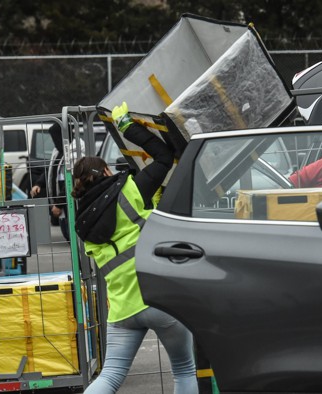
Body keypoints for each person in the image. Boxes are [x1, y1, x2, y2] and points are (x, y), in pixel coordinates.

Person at [72, 102, 197, 394]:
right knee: (184, 370)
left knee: (110, 377)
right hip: (159, 297)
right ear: (105, 171)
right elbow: (165, 157)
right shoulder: (129, 189)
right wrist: (126, 125)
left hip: (122, 310)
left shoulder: (82, 225)